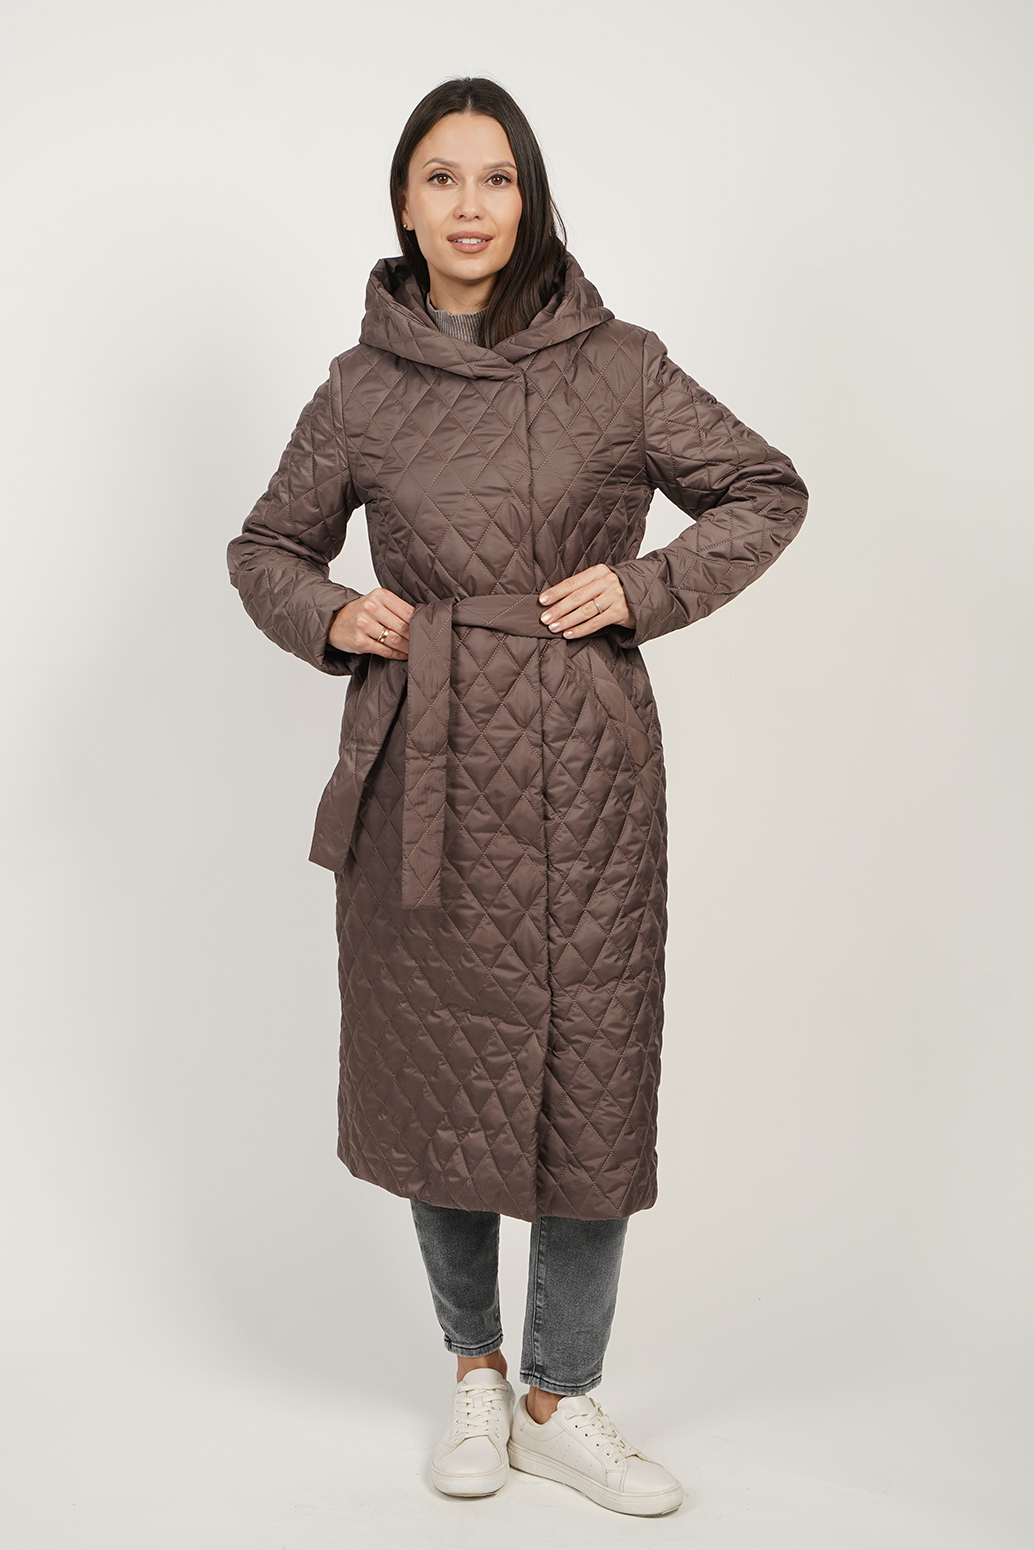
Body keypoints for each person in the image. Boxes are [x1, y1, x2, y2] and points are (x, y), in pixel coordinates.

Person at [227, 76, 807, 1518]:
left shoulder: (621, 364)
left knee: (592, 1076)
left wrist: (646, 586)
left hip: (588, 775)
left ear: (531, 198)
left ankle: (562, 1393)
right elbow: (265, 548)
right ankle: (477, 1373)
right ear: (403, 202)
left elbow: (762, 488)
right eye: (442, 178)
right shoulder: (360, 387)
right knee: (442, 1071)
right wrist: (335, 614)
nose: (471, 205)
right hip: (423, 774)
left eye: (496, 178)